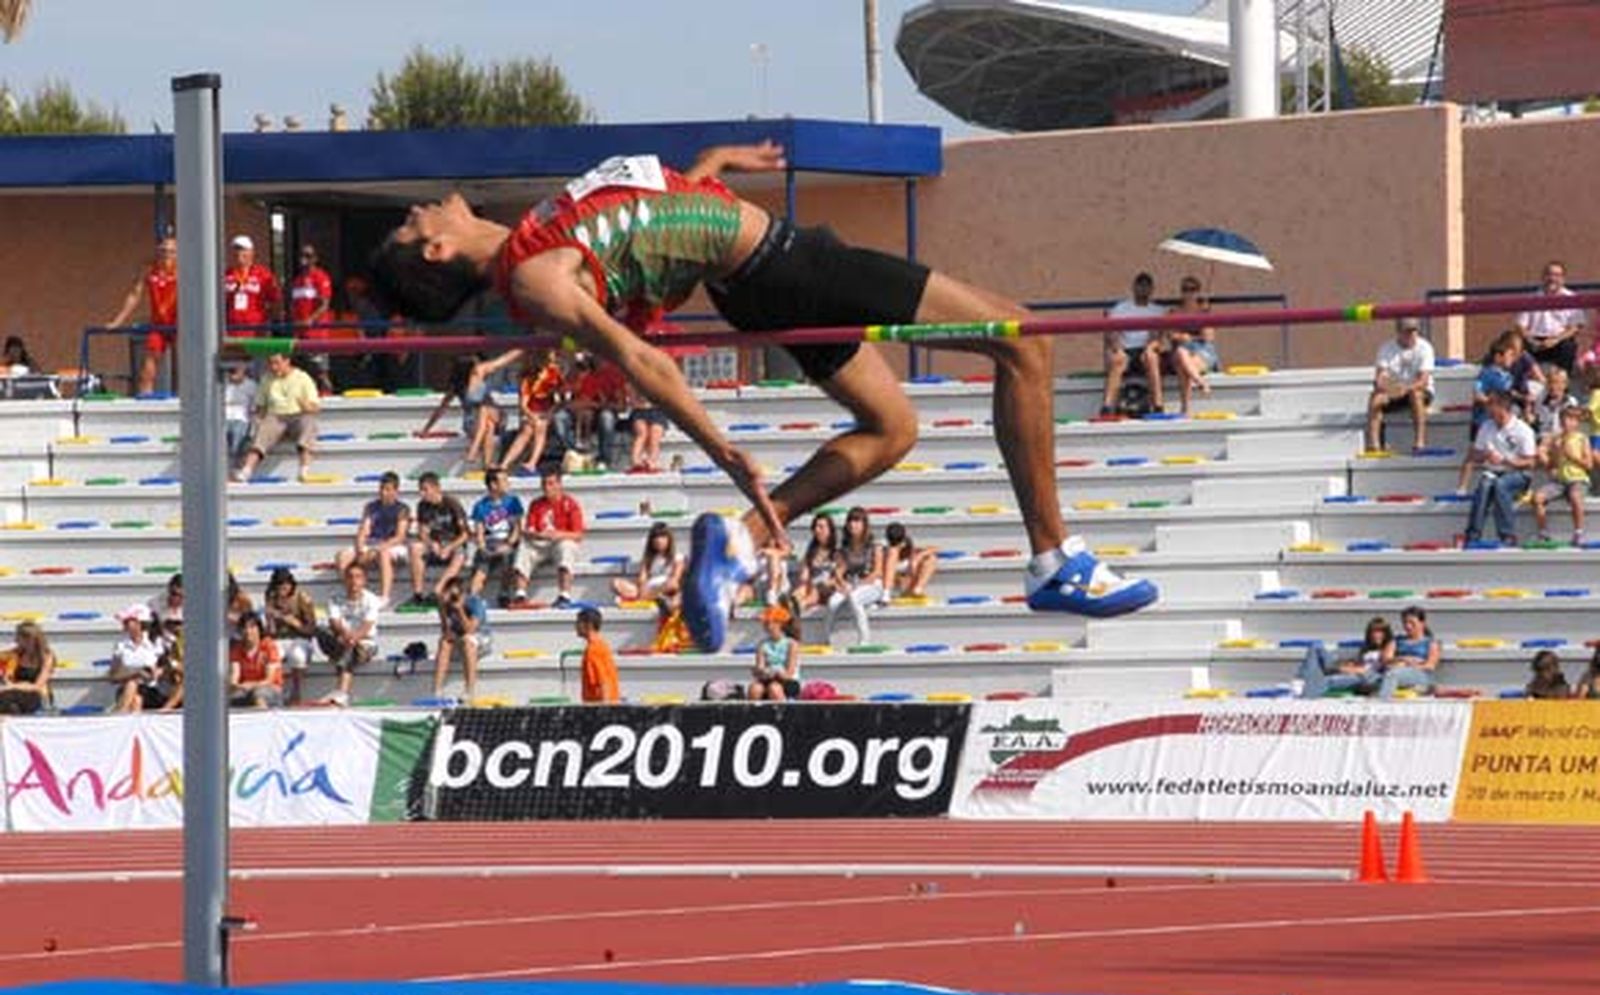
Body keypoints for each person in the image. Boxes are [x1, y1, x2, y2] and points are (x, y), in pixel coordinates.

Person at [368, 142, 1157, 653]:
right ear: (439, 250)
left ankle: (741, 545)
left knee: (892, 428)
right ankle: (1055, 560)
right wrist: (724, 450)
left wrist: (711, 167)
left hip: (759, 273)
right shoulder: (535, 277)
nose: (418, 209)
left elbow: (646, 229)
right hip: (781, 267)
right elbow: (641, 357)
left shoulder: (536, 232)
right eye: (412, 227)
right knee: (1023, 340)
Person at [418, 350, 523, 470]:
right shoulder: (464, 381)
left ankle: (474, 449)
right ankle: (487, 464)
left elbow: (503, 361)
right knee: (488, 423)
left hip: (495, 416)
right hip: (474, 422)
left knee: (485, 410)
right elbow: (441, 409)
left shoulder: (478, 373)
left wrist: (521, 349)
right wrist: (426, 429)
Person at [105, 235, 178, 396]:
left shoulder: (183, 270)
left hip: (179, 325)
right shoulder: (149, 269)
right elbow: (134, 295)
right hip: (159, 326)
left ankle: (187, 399)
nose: (167, 255)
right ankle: (146, 400)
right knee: (148, 364)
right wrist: (118, 321)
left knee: (184, 363)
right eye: (163, 251)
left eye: (172, 251)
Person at [233, 351, 322, 482]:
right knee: (263, 429)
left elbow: (315, 407)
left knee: (309, 423)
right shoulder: (267, 379)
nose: (274, 367)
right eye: (271, 363)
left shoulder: (303, 378)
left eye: (277, 363)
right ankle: (247, 470)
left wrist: (305, 405)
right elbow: (261, 406)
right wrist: (258, 419)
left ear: (287, 361)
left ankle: (304, 469)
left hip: (298, 416)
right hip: (275, 417)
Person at [1464, 391, 1538, 547]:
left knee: (1501, 485)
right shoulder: (1486, 426)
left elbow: (1530, 462)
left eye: (1491, 406)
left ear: (1502, 408)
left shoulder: (1522, 430)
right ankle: (1473, 535)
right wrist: (1485, 455)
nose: (1488, 410)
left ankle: (1507, 535)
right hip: (1493, 471)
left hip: (1519, 474)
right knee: (1484, 486)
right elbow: (1474, 455)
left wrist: (1506, 461)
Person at [335, 470, 412, 607]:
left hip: (394, 546)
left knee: (383, 553)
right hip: (373, 543)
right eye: (382, 488)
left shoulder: (403, 509)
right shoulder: (371, 507)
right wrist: (359, 550)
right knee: (342, 556)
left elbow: (400, 536)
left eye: (388, 489)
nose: (383, 493)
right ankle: (353, 593)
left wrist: (378, 548)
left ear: (396, 491)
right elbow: (363, 530)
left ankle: (384, 597)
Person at [1457, 333, 1519, 493]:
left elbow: (1508, 394)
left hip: (1499, 422)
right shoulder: (1487, 373)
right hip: (1482, 419)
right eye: (1509, 355)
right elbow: (1477, 393)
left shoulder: (1508, 376)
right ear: (1498, 357)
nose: (1512, 359)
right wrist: (1492, 404)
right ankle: (1461, 486)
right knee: (1473, 454)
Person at [513, 467, 584, 606]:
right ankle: (520, 594)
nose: (547, 487)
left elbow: (578, 534)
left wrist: (558, 534)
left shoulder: (570, 504)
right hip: (540, 542)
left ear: (559, 484)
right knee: (524, 546)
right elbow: (528, 529)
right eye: (544, 483)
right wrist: (537, 534)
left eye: (551, 483)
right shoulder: (536, 504)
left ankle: (565, 594)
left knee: (567, 546)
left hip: (560, 542)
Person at [1101, 272, 1167, 416]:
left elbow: (1158, 337)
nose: (1143, 288)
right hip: (1126, 349)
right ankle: (1106, 407)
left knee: (1151, 358)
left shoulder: (1158, 310)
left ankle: (1158, 405)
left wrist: (1149, 348)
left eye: (1146, 285)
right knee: (1118, 359)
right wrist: (1117, 348)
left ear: (1151, 289)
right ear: (1134, 287)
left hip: (1146, 349)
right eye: (1140, 285)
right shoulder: (1121, 308)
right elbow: (1111, 332)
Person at [1364, 317, 1435, 453]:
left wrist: (1405, 389)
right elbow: (1380, 378)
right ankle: (1374, 445)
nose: (1411, 335)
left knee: (1416, 395)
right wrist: (1391, 389)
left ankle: (1419, 442)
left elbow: (1423, 380)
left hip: (1418, 390)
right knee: (1376, 399)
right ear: (1399, 332)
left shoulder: (1425, 347)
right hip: (1395, 391)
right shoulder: (1386, 348)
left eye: (1414, 331)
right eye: (1407, 331)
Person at [316, 564, 381, 707]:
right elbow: (334, 622)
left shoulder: (372, 600)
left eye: (358, 577)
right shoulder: (335, 598)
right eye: (350, 577)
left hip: (366, 644)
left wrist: (352, 638)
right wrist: (346, 635)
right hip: (343, 638)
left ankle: (342, 692)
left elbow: (366, 626)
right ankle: (339, 658)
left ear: (364, 580)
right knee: (321, 630)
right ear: (345, 580)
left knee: (350, 649)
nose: (354, 581)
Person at [1531, 404, 1592, 546]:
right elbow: (1550, 465)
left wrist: (1571, 456)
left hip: (1578, 479)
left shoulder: (1582, 439)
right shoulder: (1556, 439)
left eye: (1571, 419)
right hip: (1559, 481)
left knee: (1575, 496)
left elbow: (1588, 465)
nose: (1567, 422)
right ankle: (1543, 533)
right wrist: (1554, 454)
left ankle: (1578, 532)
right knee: (1537, 498)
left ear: (1577, 422)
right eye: (1564, 419)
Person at [408, 471, 471, 605]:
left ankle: (438, 589)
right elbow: (422, 532)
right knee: (415, 548)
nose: (422, 493)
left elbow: (465, 534)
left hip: (454, 544)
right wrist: (431, 543)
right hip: (436, 545)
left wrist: (449, 547)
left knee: (460, 554)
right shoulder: (422, 506)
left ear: (436, 488)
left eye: (425, 490)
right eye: (421, 490)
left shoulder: (452, 503)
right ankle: (418, 593)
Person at [824, 506, 886, 644]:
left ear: (865, 524)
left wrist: (856, 585)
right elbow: (839, 571)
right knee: (832, 603)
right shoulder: (844, 547)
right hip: (850, 583)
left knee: (855, 597)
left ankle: (864, 639)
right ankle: (826, 639)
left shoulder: (875, 545)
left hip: (871, 584)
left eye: (857, 521)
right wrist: (841, 584)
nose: (853, 525)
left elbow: (877, 571)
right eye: (850, 521)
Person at [1516, 260, 1586, 376]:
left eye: (1557, 275)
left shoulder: (1572, 298)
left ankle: (1563, 383)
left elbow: (1576, 326)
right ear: (1543, 277)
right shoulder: (1532, 298)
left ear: (1563, 279)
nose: (1552, 278)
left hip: (1559, 341)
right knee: (1515, 344)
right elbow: (1519, 325)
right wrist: (1532, 341)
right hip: (1535, 341)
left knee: (1569, 346)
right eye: (1549, 274)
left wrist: (1556, 340)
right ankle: (1522, 385)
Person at [1295, 616, 1392, 698]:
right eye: (1373, 632)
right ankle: (1302, 681)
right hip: (1355, 672)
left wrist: (1351, 669)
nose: (1376, 635)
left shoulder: (1389, 647)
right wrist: (1350, 665)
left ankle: (1306, 697)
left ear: (1386, 634)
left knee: (1329, 679)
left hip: (1368, 677)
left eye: (1380, 632)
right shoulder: (1366, 649)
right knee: (1315, 647)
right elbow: (1361, 664)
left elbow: (1378, 668)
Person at [501, 349, 565, 472]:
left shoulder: (554, 374)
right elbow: (524, 405)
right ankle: (505, 463)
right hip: (531, 412)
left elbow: (560, 400)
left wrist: (550, 412)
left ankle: (532, 462)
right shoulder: (528, 379)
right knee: (527, 430)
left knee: (540, 425)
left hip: (549, 411)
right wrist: (532, 416)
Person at [467, 467, 524, 605]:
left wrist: (508, 544)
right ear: (493, 485)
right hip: (489, 542)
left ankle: (504, 592)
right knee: (481, 566)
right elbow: (479, 531)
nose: (508, 483)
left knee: (508, 556)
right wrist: (482, 547)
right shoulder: (480, 506)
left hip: (506, 541)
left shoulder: (513, 502)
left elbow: (517, 529)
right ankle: (472, 597)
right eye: (504, 481)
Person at [262, 567, 317, 705]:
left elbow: (311, 629)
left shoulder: (302, 598)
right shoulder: (271, 597)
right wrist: (270, 620)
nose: (283, 587)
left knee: (297, 655)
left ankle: (296, 693)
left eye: (286, 584)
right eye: (279, 584)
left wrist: (294, 623)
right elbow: (271, 633)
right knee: (271, 654)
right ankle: (274, 693)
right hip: (280, 639)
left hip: (301, 638)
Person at [108, 603, 174, 712]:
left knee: (136, 695)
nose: (124, 624)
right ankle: (122, 717)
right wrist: (135, 674)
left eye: (128, 621)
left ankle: (119, 716)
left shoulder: (157, 643)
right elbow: (113, 677)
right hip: (127, 689)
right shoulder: (121, 646)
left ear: (139, 623)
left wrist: (157, 672)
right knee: (135, 694)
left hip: (151, 690)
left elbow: (167, 669)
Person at [433, 578, 491, 701]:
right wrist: (442, 609)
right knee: (444, 642)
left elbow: (471, 629)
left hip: (480, 637)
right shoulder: (447, 604)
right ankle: (437, 690)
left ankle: (469, 690)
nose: (453, 598)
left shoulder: (476, 603)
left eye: (455, 595)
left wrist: (460, 610)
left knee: (468, 640)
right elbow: (446, 631)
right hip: (461, 638)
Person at [289, 243, 335, 393]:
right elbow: (293, 306)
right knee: (302, 373)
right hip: (300, 335)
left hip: (317, 334)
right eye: (302, 255)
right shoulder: (296, 281)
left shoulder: (321, 277)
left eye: (308, 256)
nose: (304, 259)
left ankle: (328, 400)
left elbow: (324, 305)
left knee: (321, 372)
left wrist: (311, 320)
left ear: (315, 259)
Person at [1168, 276, 1217, 415]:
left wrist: (1205, 318)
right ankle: (1200, 382)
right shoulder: (1174, 312)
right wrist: (1181, 336)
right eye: (1186, 290)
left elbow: (1209, 337)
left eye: (1193, 290)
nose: (1189, 293)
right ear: (1181, 292)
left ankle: (1185, 407)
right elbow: (1170, 335)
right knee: (1181, 353)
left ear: (1198, 292)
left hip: (1202, 350)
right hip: (1182, 350)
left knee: (1183, 364)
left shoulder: (1204, 311)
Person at [611, 520, 684, 608]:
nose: (659, 541)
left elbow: (675, 579)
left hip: (665, 588)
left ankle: (649, 598)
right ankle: (653, 598)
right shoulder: (648, 558)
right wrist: (643, 588)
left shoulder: (678, 557)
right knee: (615, 583)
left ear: (669, 539)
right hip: (648, 587)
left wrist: (656, 590)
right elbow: (642, 579)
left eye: (662, 537)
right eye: (656, 537)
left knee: (673, 585)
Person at [223, 234, 281, 336]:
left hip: (256, 331)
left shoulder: (263, 274)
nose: (238, 252)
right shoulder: (226, 275)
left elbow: (276, 301)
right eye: (236, 249)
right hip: (231, 331)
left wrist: (268, 323)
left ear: (251, 252)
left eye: (242, 249)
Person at [1378, 605, 1441, 699]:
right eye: (1405, 622)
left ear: (1422, 623)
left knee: (1393, 674)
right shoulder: (1396, 640)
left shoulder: (1431, 642)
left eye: (1412, 623)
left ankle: (1382, 705)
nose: (1408, 626)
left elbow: (1430, 666)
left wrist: (1409, 665)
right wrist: (1403, 659)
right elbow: (1385, 659)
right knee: (1371, 677)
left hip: (1420, 674)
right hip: (1397, 669)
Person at [228, 611, 284, 709]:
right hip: (245, 689)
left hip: (270, 689)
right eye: (244, 627)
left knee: (259, 695)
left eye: (252, 627)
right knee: (230, 699)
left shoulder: (268, 646)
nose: (248, 631)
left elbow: (269, 679)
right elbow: (234, 678)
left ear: (259, 629)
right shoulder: (237, 649)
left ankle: (263, 721)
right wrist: (237, 686)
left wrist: (250, 685)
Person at [0, 621, 54, 715]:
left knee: (7, 698)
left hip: (37, 695)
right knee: (9, 703)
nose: (15, 640)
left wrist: (13, 686)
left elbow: (37, 686)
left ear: (29, 639)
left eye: (18, 637)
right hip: (14, 692)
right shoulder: (17, 653)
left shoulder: (46, 657)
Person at [750, 604, 801, 701]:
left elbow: (789, 673)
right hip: (768, 679)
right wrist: (760, 671)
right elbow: (760, 666)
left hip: (787, 681)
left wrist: (776, 672)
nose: (767, 627)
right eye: (765, 623)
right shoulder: (763, 645)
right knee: (754, 689)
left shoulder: (791, 644)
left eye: (770, 623)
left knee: (774, 688)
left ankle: (783, 714)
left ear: (780, 624)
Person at [793, 513, 840, 614]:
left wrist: (821, 584)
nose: (817, 530)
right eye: (815, 527)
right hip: (812, 587)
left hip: (828, 588)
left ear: (830, 530)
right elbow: (804, 577)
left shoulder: (837, 552)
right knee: (798, 592)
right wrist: (804, 577)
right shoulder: (811, 552)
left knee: (814, 591)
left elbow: (839, 578)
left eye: (821, 527)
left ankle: (797, 609)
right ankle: (791, 608)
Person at [883, 521, 938, 599]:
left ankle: (918, 589)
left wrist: (917, 557)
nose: (899, 546)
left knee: (931, 558)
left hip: (909, 581)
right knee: (893, 552)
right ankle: (886, 593)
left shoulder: (908, 547)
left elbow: (935, 548)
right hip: (894, 583)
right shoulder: (886, 550)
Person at [576, 606, 620, 704]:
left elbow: (603, 682)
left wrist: (604, 711)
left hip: (598, 706)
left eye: (579, 622)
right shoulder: (601, 645)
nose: (576, 626)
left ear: (589, 625)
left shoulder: (594, 649)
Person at [627, 380, 669, 473]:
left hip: (657, 410)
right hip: (639, 411)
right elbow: (632, 400)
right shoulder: (635, 381)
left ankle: (652, 460)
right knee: (642, 433)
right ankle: (636, 460)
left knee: (655, 435)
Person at [223, 363, 258, 460]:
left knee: (238, 435)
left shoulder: (251, 385)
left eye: (236, 371)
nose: (233, 375)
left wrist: (253, 420)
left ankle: (234, 462)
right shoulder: (222, 384)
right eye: (231, 372)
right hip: (224, 416)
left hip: (242, 417)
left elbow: (254, 406)